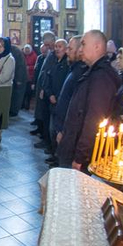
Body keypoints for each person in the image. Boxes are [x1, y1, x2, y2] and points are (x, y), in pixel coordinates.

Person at [56, 30, 120, 170]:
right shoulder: (92, 72)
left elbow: (94, 120)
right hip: (74, 144)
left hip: (82, 155)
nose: (80, 49)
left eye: (83, 44)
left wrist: (80, 156)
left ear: (97, 46)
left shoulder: (102, 77)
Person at [51, 35, 85, 165]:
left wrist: (64, 131)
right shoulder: (74, 69)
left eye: (70, 49)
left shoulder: (80, 73)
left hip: (69, 133)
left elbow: (74, 107)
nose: (66, 52)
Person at [40, 39, 69, 154]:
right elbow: (48, 77)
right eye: (56, 46)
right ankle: (53, 152)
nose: (57, 49)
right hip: (51, 99)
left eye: (60, 46)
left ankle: (57, 155)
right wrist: (49, 93)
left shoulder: (67, 64)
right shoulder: (55, 61)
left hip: (61, 102)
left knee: (57, 130)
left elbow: (65, 85)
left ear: (66, 49)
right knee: (52, 128)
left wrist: (56, 96)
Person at [33, 33, 57, 138]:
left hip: (48, 89)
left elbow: (49, 72)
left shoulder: (54, 54)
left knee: (47, 114)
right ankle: (42, 131)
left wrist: (44, 88)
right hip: (43, 86)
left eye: (47, 45)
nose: (46, 47)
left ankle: (46, 136)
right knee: (41, 111)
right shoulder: (48, 54)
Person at [9, 39, 27, 117]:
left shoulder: (15, 51)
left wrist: (19, 79)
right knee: (12, 94)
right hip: (13, 77)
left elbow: (20, 66)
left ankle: (14, 111)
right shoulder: (9, 50)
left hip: (19, 77)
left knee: (17, 95)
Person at [23, 44, 37, 110]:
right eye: (26, 50)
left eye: (28, 49)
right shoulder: (22, 55)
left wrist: (29, 67)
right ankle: (22, 105)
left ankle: (27, 105)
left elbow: (35, 66)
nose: (27, 51)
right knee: (23, 92)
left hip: (30, 76)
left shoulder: (34, 56)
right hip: (23, 76)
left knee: (28, 92)